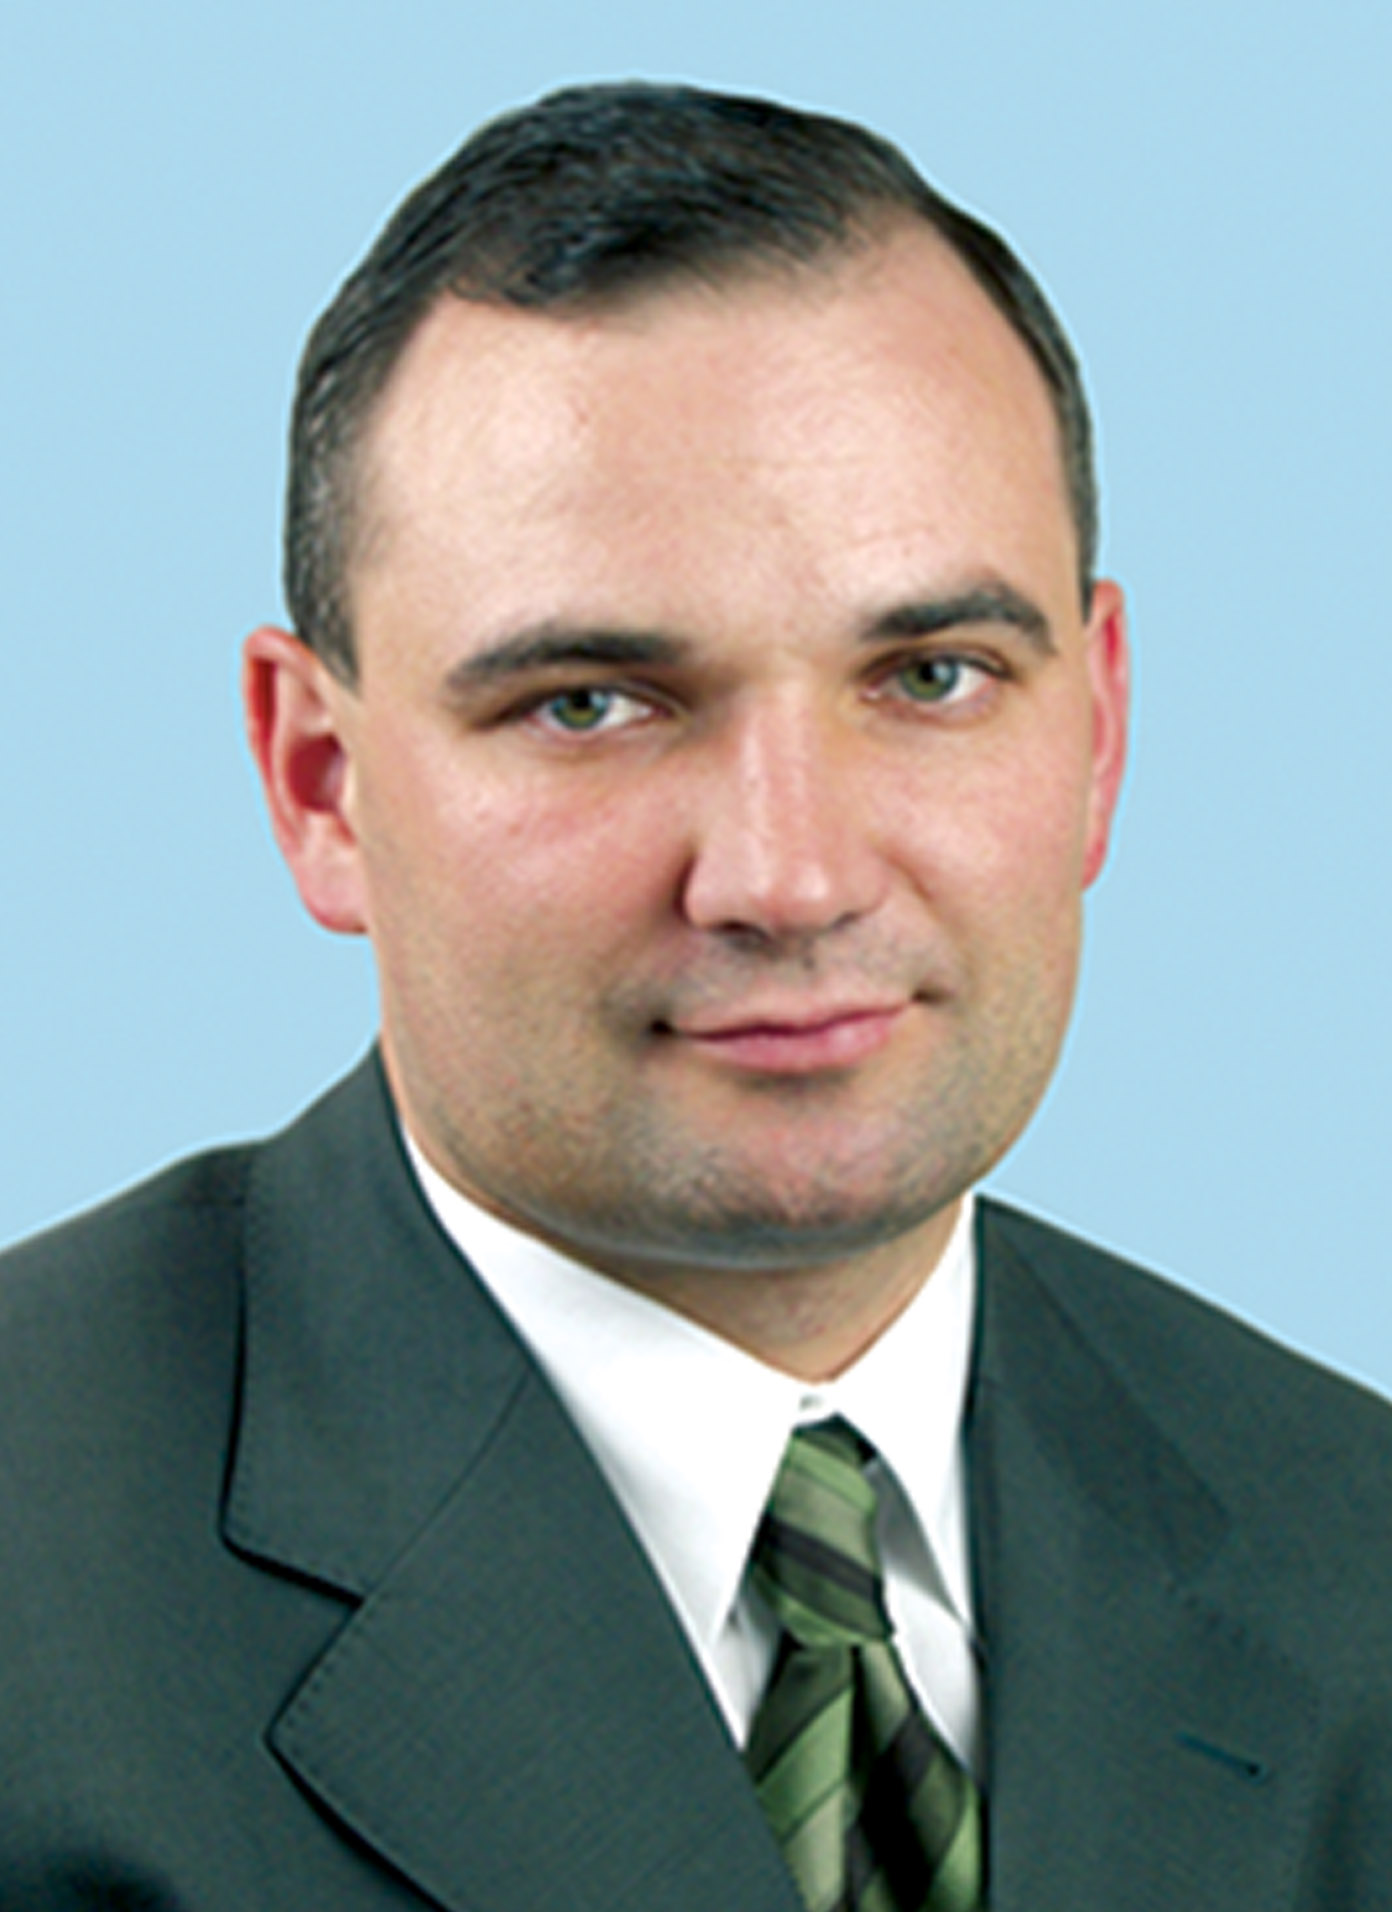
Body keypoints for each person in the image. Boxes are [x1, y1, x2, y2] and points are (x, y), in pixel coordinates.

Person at [1, 81, 1388, 1912]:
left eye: (934, 676)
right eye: (590, 704)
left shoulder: (1353, 1544)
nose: (791, 877)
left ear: (1101, 729)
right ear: (321, 784)